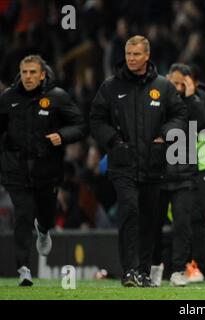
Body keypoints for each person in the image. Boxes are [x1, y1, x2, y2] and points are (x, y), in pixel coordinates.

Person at [90, 36, 187, 287]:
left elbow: (179, 115)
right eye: (128, 54)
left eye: (136, 54)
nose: (131, 59)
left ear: (147, 55)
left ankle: (142, 271)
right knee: (129, 211)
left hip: (153, 165)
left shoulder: (163, 87)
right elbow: (96, 119)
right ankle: (130, 270)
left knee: (149, 219)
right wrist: (113, 141)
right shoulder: (111, 86)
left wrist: (164, 136)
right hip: (122, 164)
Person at [0, 55, 87, 286]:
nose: (27, 76)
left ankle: (43, 228)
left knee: (46, 214)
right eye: (24, 72)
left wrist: (62, 136)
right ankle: (23, 269)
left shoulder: (57, 97)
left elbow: (80, 126)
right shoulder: (8, 98)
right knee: (24, 213)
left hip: (47, 168)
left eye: (32, 72)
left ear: (42, 74)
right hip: (15, 168)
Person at [151, 63, 205, 287]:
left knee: (182, 225)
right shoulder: (156, 101)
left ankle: (178, 270)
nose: (177, 87)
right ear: (166, 80)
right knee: (154, 224)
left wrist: (192, 97)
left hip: (184, 174)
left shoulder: (191, 105)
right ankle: (155, 266)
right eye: (174, 82)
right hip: (158, 173)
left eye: (181, 84)